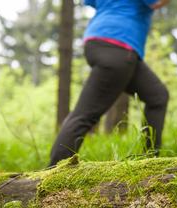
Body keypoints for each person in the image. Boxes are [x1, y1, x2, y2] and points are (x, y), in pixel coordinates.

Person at [49, 0, 170, 166]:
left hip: (99, 41)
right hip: (118, 46)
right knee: (84, 115)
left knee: (157, 96)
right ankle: (53, 172)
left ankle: (151, 162)